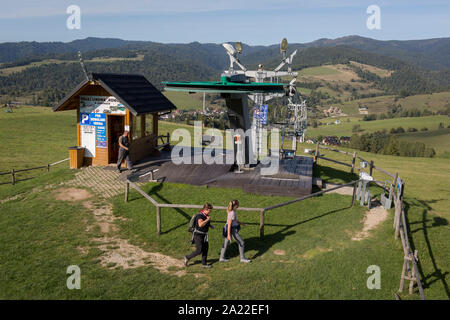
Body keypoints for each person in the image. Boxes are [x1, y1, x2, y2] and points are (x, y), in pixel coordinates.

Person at [184, 203, 215, 268]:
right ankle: (187, 257)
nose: (210, 211)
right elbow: (200, 224)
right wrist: (207, 220)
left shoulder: (206, 215)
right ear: (205, 209)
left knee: (205, 249)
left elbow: (205, 223)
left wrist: (210, 226)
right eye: (209, 210)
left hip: (205, 235)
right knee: (199, 250)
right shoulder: (199, 216)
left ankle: (204, 264)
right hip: (198, 235)